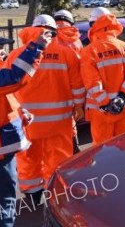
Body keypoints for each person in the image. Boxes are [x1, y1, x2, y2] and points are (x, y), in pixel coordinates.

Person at [0, 28, 50, 227]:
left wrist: (22, 115)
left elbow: (0, 100)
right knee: (3, 211)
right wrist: (36, 48)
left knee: (1, 206)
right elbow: (14, 78)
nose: (4, 51)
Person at [6, 15, 85, 206]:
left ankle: (32, 198)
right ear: (53, 31)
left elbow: (7, 89)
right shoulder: (66, 53)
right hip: (59, 122)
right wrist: (78, 107)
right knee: (58, 159)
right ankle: (57, 198)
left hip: (27, 123)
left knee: (28, 160)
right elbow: (78, 87)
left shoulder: (15, 55)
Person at [80, 7, 125, 145]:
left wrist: (106, 104)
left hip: (101, 114)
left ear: (93, 25)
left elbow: (92, 82)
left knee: (103, 154)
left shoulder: (88, 51)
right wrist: (122, 97)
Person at [53, 9, 85, 154]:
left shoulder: (47, 37)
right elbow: (81, 69)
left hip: (47, 89)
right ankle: (73, 151)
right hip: (70, 91)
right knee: (69, 124)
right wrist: (79, 103)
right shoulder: (75, 40)